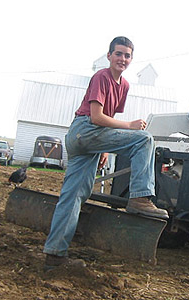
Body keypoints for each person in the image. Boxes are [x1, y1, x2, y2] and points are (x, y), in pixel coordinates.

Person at [43, 36, 168, 271]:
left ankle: (55, 256)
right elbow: (97, 117)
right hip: (84, 130)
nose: (122, 59)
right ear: (109, 55)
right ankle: (140, 197)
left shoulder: (125, 86)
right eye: (118, 54)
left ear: (131, 60)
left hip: (86, 137)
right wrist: (130, 125)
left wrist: (105, 148)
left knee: (74, 196)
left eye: (127, 55)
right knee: (144, 140)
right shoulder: (101, 76)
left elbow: (107, 118)